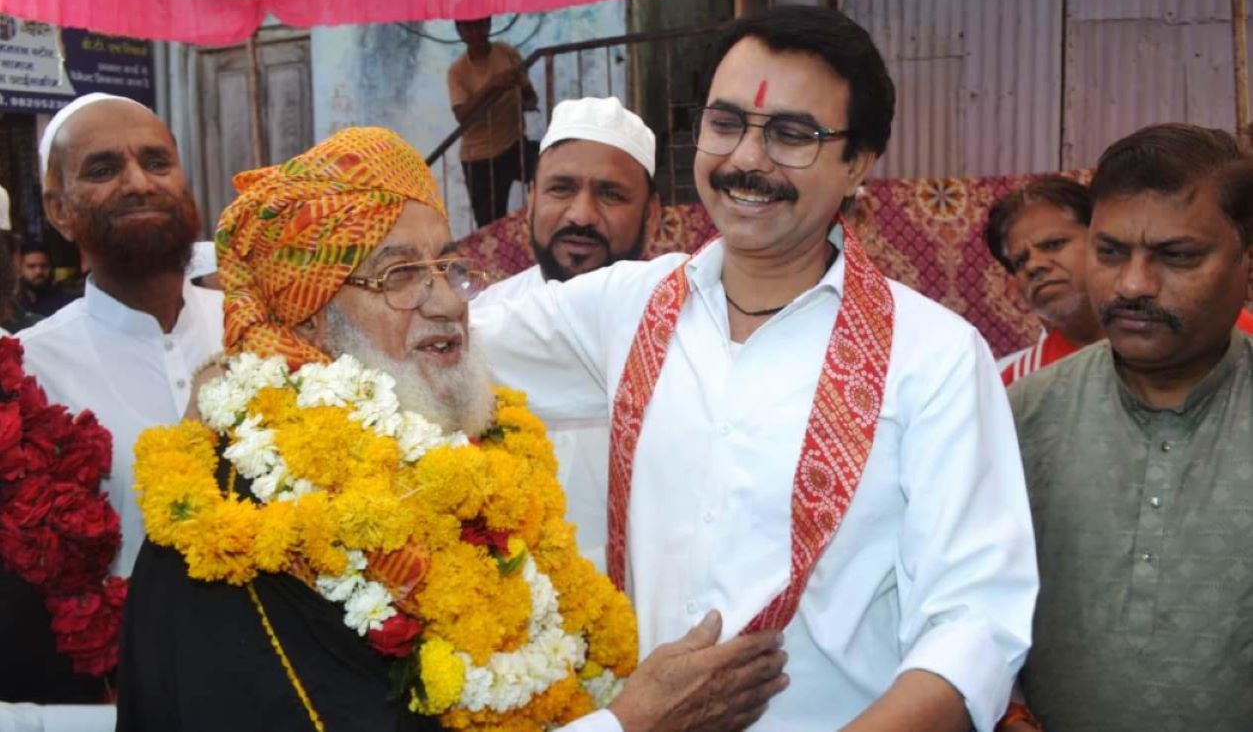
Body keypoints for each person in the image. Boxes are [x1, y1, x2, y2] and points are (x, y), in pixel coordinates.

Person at [474, 5, 1038, 732]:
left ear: (858, 162)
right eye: (726, 123)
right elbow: (435, 346)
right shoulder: (625, 307)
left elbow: (975, 626)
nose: (746, 160)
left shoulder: (934, 356)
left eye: (791, 135)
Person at [117, 127, 787, 732]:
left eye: (447, 267)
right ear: (310, 317)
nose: (446, 302)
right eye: (400, 274)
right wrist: (632, 725)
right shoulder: (245, 520)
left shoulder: (451, 465)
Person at [1009, 124, 1253, 732]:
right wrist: (1005, 706)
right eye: (1110, 252)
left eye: (1177, 255)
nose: (1133, 285)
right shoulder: (1020, 415)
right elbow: (959, 599)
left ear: (1247, 261)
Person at [18, 92, 224, 577]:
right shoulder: (27, 371)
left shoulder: (255, 327)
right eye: (103, 170)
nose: (139, 184)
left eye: (157, 163)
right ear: (58, 211)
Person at [473, 95, 658, 569]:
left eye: (611, 194)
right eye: (561, 189)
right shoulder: (481, 320)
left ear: (652, 215)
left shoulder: (671, 322)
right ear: (531, 200)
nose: (581, 214)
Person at [985, 176, 1103, 384]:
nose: (1033, 265)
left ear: (1105, 244)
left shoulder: (1162, 350)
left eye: (1053, 245)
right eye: (1020, 261)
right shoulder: (1011, 385)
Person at [448, 16, 540, 228]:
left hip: (514, 144)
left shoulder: (506, 53)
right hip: (479, 158)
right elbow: (462, 115)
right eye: (468, 27)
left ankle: (536, 233)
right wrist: (493, 86)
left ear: (488, 24)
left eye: (479, 24)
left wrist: (524, 99)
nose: (475, 32)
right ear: (459, 31)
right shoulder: (457, 71)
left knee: (551, 174)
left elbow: (530, 96)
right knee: (491, 227)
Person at [17, 242, 74, 317]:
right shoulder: (11, 303)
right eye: (31, 266)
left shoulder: (66, 303)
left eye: (44, 266)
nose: (39, 271)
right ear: (20, 269)